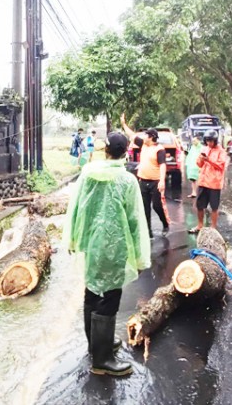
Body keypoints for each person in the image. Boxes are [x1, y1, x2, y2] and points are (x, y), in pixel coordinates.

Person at [63, 132, 151, 377]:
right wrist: (140, 257)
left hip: (91, 243)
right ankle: (102, 361)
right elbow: (135, 220)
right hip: (115, 247)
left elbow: (76, 207)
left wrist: (72, 238)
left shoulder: (88, 174)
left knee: (92, 291)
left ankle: (96, 344)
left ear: (105, 150)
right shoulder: (126, 180)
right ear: (126, 152)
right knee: (110, 297)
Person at [121, 113, 170, 238]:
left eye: (146, 135)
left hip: (155, 182)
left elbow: (163, 165)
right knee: (145, 207)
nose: (144, 136)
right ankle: (148, 232)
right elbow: (132, 135)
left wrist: (162, 181)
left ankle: (165, 223)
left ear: (152, 137)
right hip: (143, 181)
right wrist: (123, 124)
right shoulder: (143, 144)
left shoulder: (159, 149)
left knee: (157, 206)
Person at [189, 130, 228, 234]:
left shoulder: (221, 151)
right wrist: (202, 159)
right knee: (200, 206)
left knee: (214, 207)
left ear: (215, 141)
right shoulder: (205, 148)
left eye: (211, 141)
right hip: (203, 182)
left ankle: (213, 227)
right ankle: (200, 225)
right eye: (207, 141)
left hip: (214, 183)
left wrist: (208, 159)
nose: (209, 143)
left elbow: (221, 165)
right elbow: (199, 164)